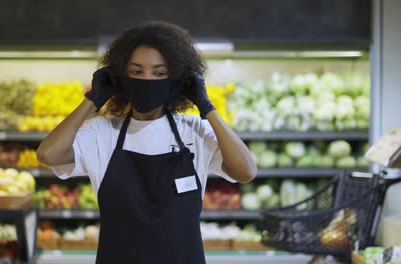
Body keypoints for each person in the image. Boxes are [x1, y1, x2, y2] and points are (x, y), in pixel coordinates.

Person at [37, 21, 256, 264]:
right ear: (121, 77)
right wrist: (92, 100)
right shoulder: (102, 132)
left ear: (176, 78)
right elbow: (49, 154)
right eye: (137, 72)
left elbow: (245, 171)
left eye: (159, 73)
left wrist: (206, 107)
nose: (148, 79)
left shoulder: (195, 131)